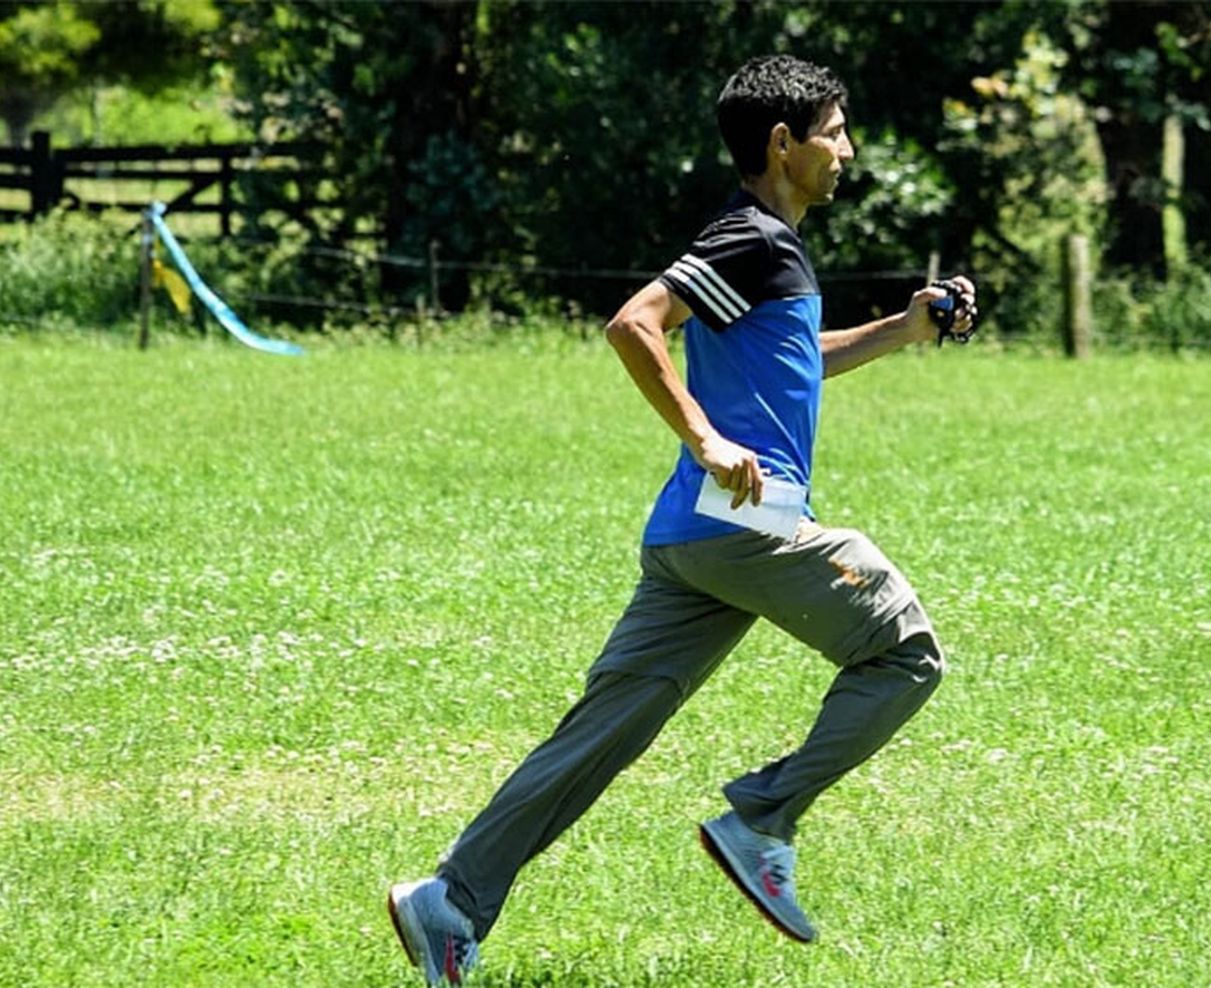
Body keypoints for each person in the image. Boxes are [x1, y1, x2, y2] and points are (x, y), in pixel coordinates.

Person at [386, 53, 977, 986]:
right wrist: (703, 435)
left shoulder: (767, 249)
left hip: (693, 543)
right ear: (783, 145)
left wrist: (905, 329)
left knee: (598, 738)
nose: (847, 151)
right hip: (753, 525)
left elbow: (792, 362)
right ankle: (763, 820)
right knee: (906, 652)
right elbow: (634, 324)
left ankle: (450, 900)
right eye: (834, 133)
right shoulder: (751, 237)